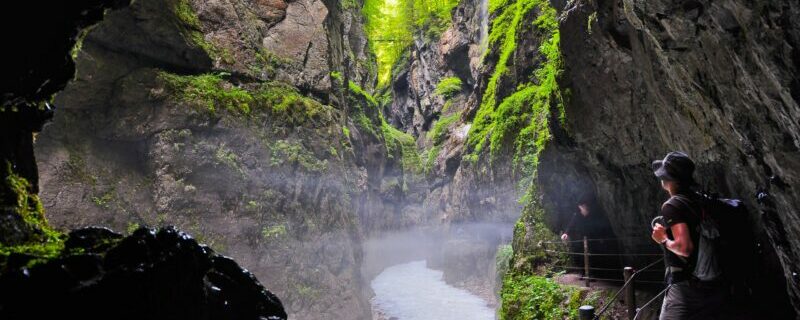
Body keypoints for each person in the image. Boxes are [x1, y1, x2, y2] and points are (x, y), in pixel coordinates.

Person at [650, 151, 727, 319]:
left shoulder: (672, 205)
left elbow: (685, 248)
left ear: (669, 179)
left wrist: (662, 239)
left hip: (687, 284)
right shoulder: (700, 200)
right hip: (716, 282)